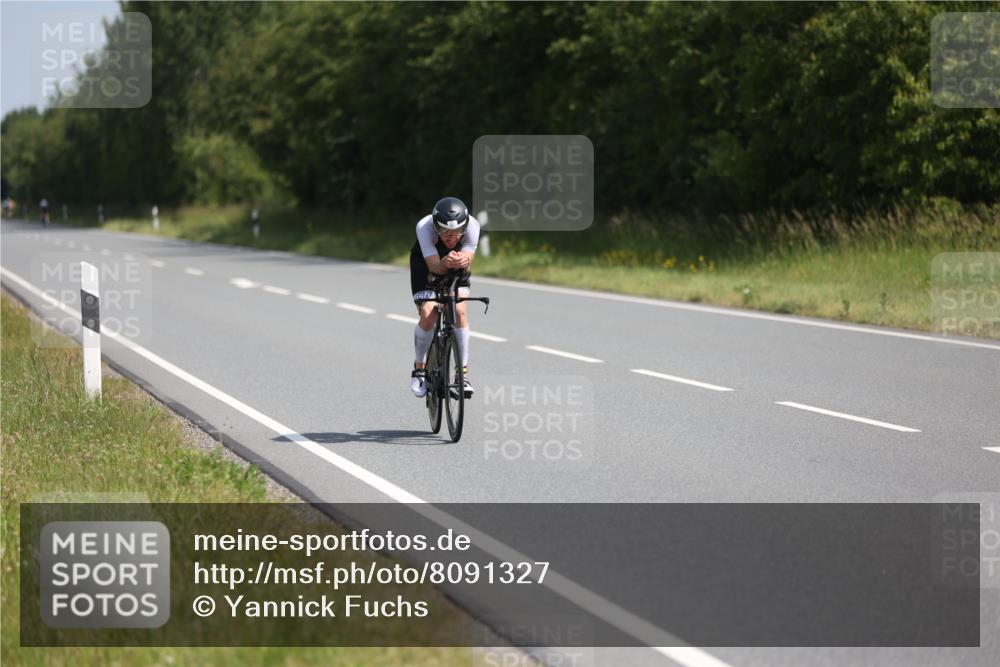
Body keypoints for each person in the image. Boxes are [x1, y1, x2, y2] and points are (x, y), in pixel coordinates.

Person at [409, 197, 481, 399]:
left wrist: (461, 261)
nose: (451, 237)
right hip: (427, 265)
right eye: (444, 232)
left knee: (459, 311)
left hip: (455, 265)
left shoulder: (473, 227)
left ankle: (462, 375)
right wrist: (445, 262)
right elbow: (434, 268)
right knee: (428, 313)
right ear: (435, 226)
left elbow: (468, 264)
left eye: (457, 232)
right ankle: (420, 368)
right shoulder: (424, 227)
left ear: (465, 227)